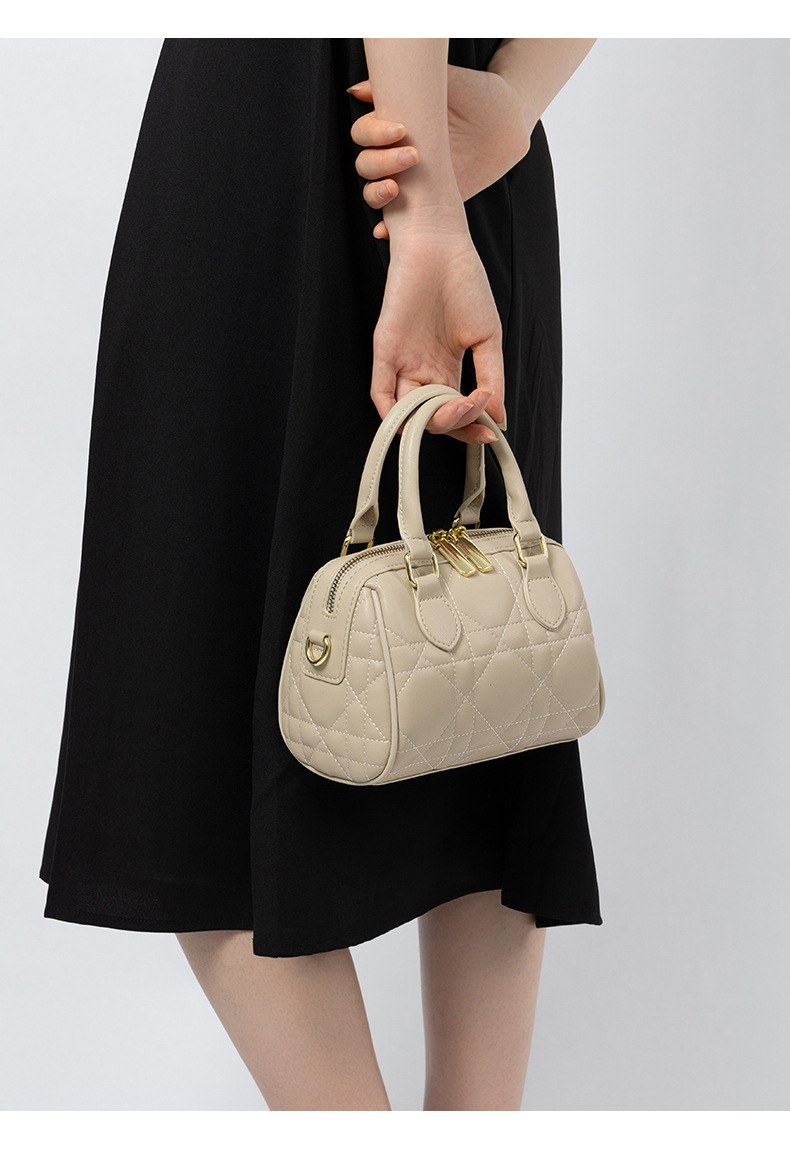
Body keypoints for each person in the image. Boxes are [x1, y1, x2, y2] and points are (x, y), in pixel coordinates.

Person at [39, 38, 601, 1111]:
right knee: (484, 681)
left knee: (203, 720)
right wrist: (511, 101)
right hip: (461, 144)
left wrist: (430, 215)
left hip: (304, 129)